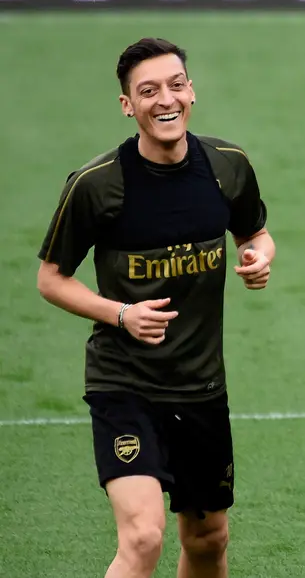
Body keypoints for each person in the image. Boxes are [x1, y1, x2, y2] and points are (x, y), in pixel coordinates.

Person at [35, 37, 275, 578]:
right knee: (143, 537)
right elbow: (51, 279)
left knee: (208, 538)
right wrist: (121, 314)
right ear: (128, 105)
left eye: (174, 85)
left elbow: (254, 233)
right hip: (125, 382)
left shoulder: (227, 166)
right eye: (148, 91)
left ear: (192, 91)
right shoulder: (97, 186)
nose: (164, 99)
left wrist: (259, 257)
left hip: (201, 384)